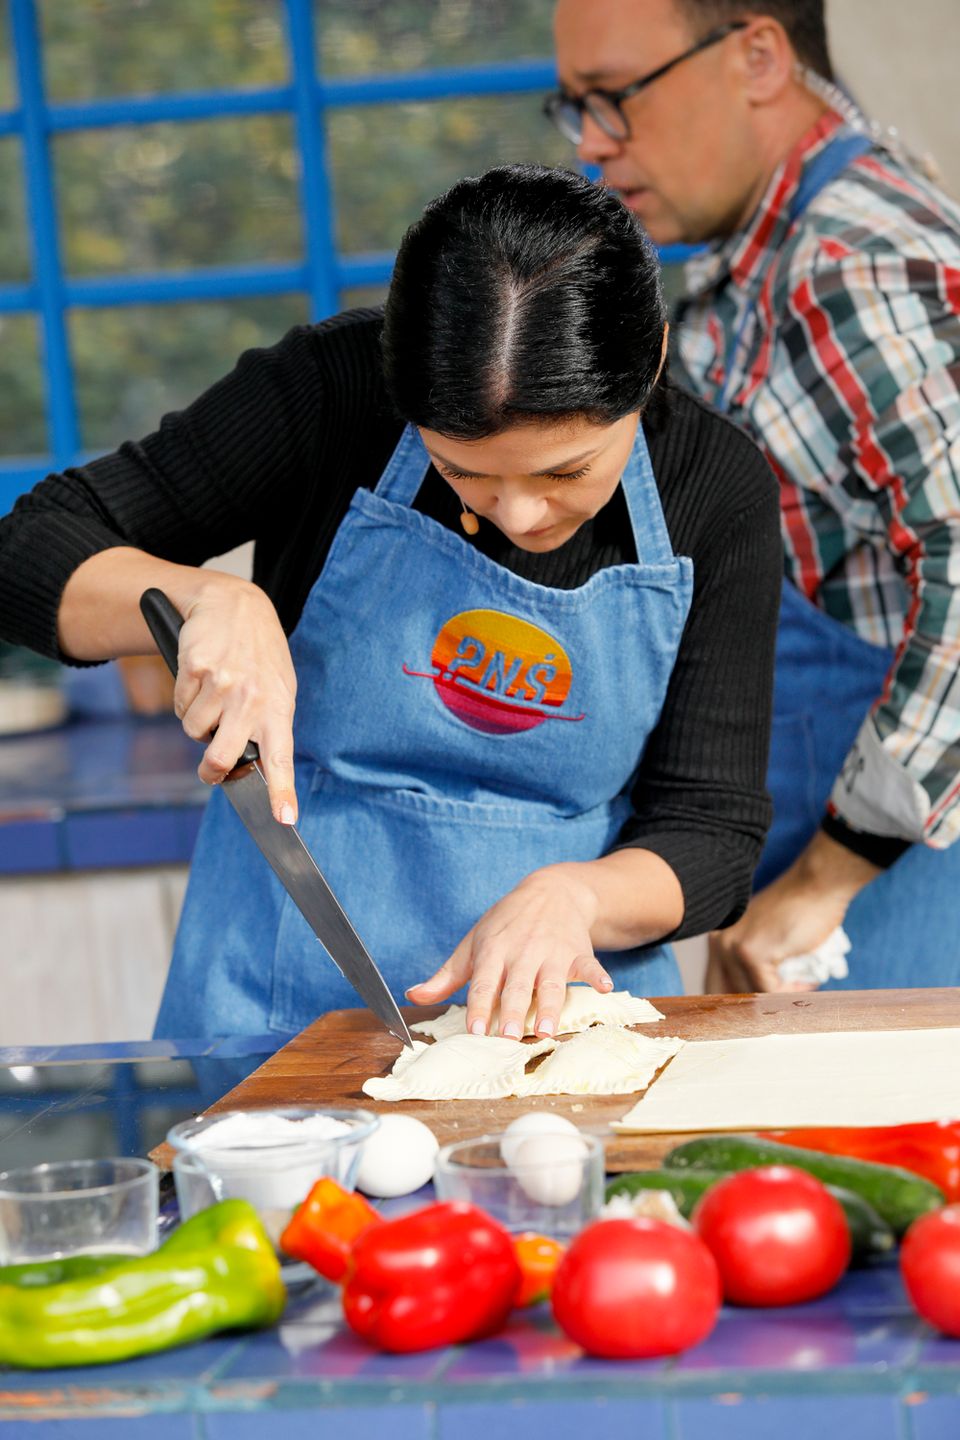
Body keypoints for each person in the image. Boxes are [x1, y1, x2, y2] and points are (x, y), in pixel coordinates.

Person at [0, 165, 781, 1041]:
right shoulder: (331, 396)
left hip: (565, 1020)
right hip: (280, 1014)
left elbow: (712, 829)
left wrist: (577, 894)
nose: (520, 514)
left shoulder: (714, 488)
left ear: (653, 367)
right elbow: (29, 549)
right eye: (463, 472)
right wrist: (203, 596)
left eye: (567, 472)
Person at [550, 0, 960, 992]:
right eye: (574, 107)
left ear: (761, 57)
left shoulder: (846, 266)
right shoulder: (756, 266)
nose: (595, 145)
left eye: (617, 98)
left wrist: (828, 878)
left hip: (897, 879)